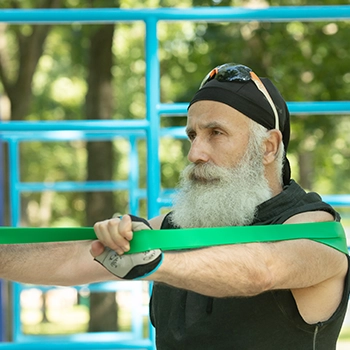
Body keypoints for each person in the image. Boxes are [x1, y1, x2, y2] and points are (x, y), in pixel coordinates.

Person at [0, 63, 348, 349]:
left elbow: (263, 269)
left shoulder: (317, 230)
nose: (195, 153)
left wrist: (153, 262)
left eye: (216, 133)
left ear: (269, 147)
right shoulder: (177, 225)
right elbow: (79, 259)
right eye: (193, 136)